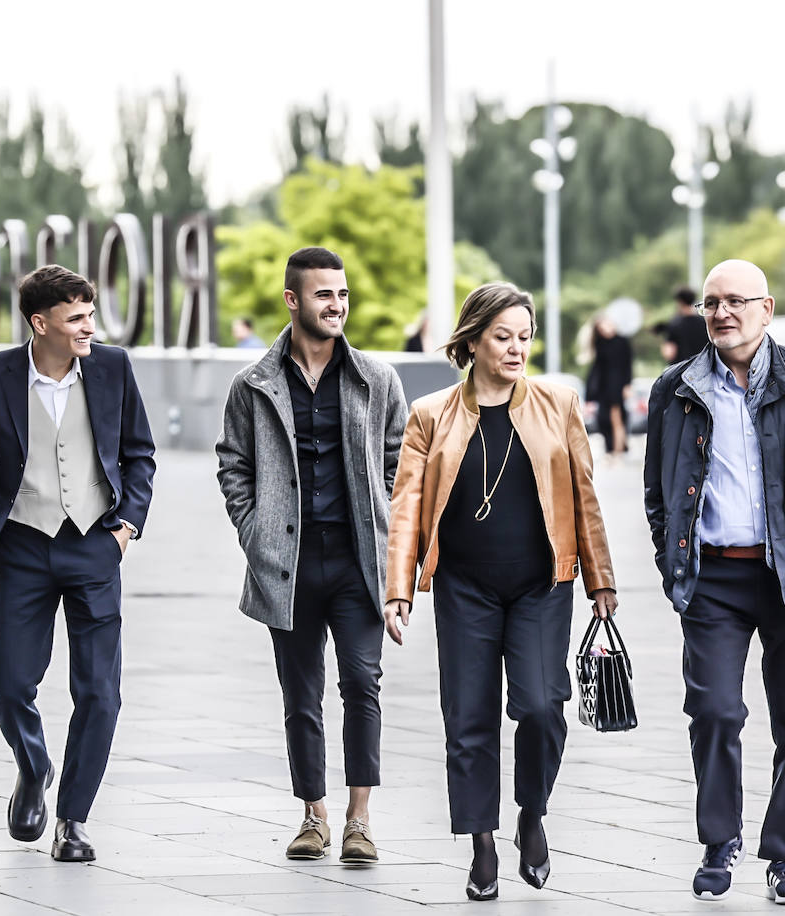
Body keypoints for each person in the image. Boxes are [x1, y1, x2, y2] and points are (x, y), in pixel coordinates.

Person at [384, 282, 618, 900]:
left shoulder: (558, 403)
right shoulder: (431, 414)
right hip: (464, 587)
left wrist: (601, 579)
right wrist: (399, 589)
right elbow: (407, 505)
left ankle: (532, 813)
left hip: (543, 583)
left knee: (542, 707)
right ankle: (482, 843)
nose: (516, 349)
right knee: (468, 717)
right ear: (473, 340)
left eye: (525, 336)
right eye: (502, 337)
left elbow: (584, 496)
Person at [644, 259, 785, 906]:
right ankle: (719, 841)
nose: (722, 312)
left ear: (766, 310)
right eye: (712, 302)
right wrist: (670, 557)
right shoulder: (676, 387)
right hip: (713, 579)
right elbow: (658, 491)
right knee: (713, 711)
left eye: (737, 300)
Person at [0, 265, 156, 863]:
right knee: (9, 684)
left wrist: (125, 528)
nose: (90, 327)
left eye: (90, 315)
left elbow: (140, 452)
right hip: (21, 543)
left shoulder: (113, 367)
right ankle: (33, 765)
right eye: (76, 319)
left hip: (95, 542)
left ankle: (73, 819)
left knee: (100, 691)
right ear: (40, 324)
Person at [216, 247, 407, 866]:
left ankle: (359, 820)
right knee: (300, 695)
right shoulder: (253, 384)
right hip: (288, 562)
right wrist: (256, 531)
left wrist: (387, 536)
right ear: (293, 300)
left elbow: (398, 462)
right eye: (325, 295)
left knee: (362, 683)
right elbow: (233, 463)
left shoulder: (377, 379)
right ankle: (312, 816)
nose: (338, 305)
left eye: (343, 294)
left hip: (357, 560)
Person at [586, 313, 633, 456]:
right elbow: (597, 369)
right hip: (604, 386)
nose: (605, 330)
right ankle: (613, 447)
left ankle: (618, 449)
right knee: (605, 419)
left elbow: (628, 365)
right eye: (601, 328)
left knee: (617, 417)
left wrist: (627, 385)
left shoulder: (622, 341)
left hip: (618, 385)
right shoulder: (600, 344)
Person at [661, 285, 710, 363]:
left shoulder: (674, 324)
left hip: (681, 370)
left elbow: (669, 353)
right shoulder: (705, 321)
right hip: (703, 367)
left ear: (680, 301)